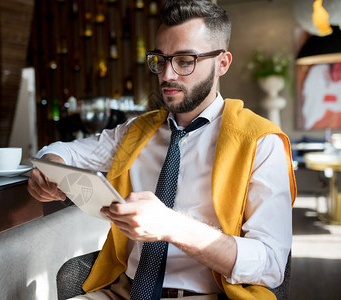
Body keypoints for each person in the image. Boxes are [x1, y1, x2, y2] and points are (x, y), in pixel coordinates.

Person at [28, 0, 296, 299]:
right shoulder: (136, 131)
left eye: (184, 61)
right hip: (123, 292)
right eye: (160, 59)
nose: (167, 75)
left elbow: (271, 265)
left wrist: (173, 226)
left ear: (222, 63)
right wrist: (49, 166)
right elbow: (63, 152)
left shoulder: (261, 142)